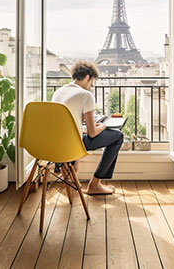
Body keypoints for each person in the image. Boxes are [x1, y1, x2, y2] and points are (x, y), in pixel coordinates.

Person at [51, 61, 123, 195]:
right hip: (72, 145)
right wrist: (102, 126)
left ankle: (68, 175)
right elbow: (92, 133)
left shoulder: (59, 92)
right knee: (118, 136)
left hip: (54, 144)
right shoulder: (86, 95)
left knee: (80, 135)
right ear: (87, 77)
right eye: (92, 83)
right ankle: (95, 184)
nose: (91, 87)